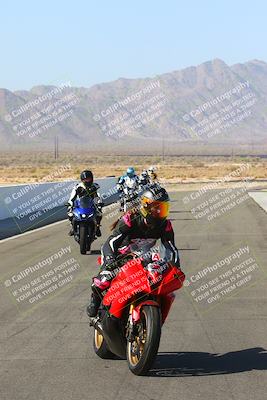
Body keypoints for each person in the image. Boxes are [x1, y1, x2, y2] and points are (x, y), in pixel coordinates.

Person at [87, 185, 180, 317]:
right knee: (104, 280)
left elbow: (171, 248)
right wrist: (109, 262)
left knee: (160, 278)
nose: (159, 212)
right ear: (145, 207)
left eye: (163, 208)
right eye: (156, 208)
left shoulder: (165, 225)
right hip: (120, 255)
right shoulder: (130, 219)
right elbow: (110, 243)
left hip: (144, 257)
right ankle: (95, 300)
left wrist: (175, 266)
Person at [67, 170, 103, 237]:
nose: (87, 181)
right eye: (85, 179)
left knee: (99, 213)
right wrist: (70, 203)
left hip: (91, 204)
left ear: (92, 178)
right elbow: (72, 197)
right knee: (70, 213)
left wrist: (99, 203)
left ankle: (97, 227)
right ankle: (73, 227)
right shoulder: (78, 187)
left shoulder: (95, 186)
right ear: (82, 180)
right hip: (80, 204)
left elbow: (97, 196)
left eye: (88, 179)